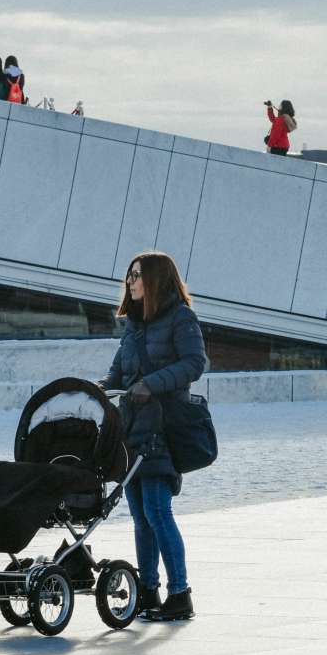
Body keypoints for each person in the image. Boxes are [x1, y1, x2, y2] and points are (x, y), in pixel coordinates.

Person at [104, 251, 209, 621]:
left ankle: (179, 594)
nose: (130, 281)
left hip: (162, 427)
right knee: (139, 514)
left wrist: (152, 383)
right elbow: (118, 374)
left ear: (156, 279)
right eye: (129, 275)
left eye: (137, 275)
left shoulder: (181, 316)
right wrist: (97, 389)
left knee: (157, 510)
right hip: (132, 428)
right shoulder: (133, 325)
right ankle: (147, 591)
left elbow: (195, 363)